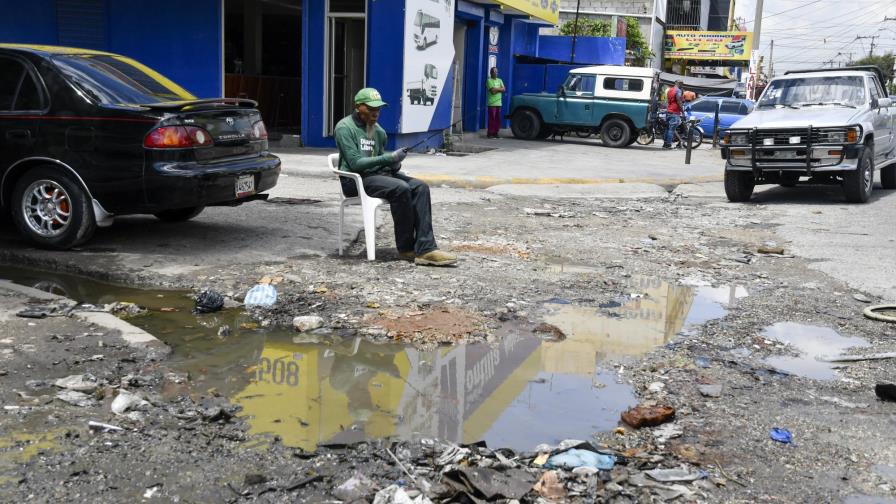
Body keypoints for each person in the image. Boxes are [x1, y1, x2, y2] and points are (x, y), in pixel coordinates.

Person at [334, 88, 457, 266]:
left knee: (421, 187)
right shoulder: (345, 128)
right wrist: (388, 158)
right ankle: (406, 248)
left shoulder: (379, 132)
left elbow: (378, 160)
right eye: (370, 108)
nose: (375, 113)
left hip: (377, 175)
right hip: (355, 180)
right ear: (358, 107)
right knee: (401, 188)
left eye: (378, 108)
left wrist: (394, 164)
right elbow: (356, 163)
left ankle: (426, 249)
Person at [663, 80, 685, 149]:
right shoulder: (678, 91)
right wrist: (683, 112)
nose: (682, 86)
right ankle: (668, 145)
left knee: (667, 128)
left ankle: (665, 144)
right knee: (671, 130)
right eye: (682, 84)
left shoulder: (670, 90)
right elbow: (679, 101)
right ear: (679, 83)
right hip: (675, 112)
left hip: (669, 111)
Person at [485, 67, 506, 139]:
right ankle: (490, 133)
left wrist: (496, 89)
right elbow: (492, 92)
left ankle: (496, 133)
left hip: (499, 103)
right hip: (492, 103)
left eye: (497, 72)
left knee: (497, 119)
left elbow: (504, 89)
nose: (496, 73)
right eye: (494, 72)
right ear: (491, 73)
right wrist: (499, 89)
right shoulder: (489, 81)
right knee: (492, 118)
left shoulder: (500, 80)